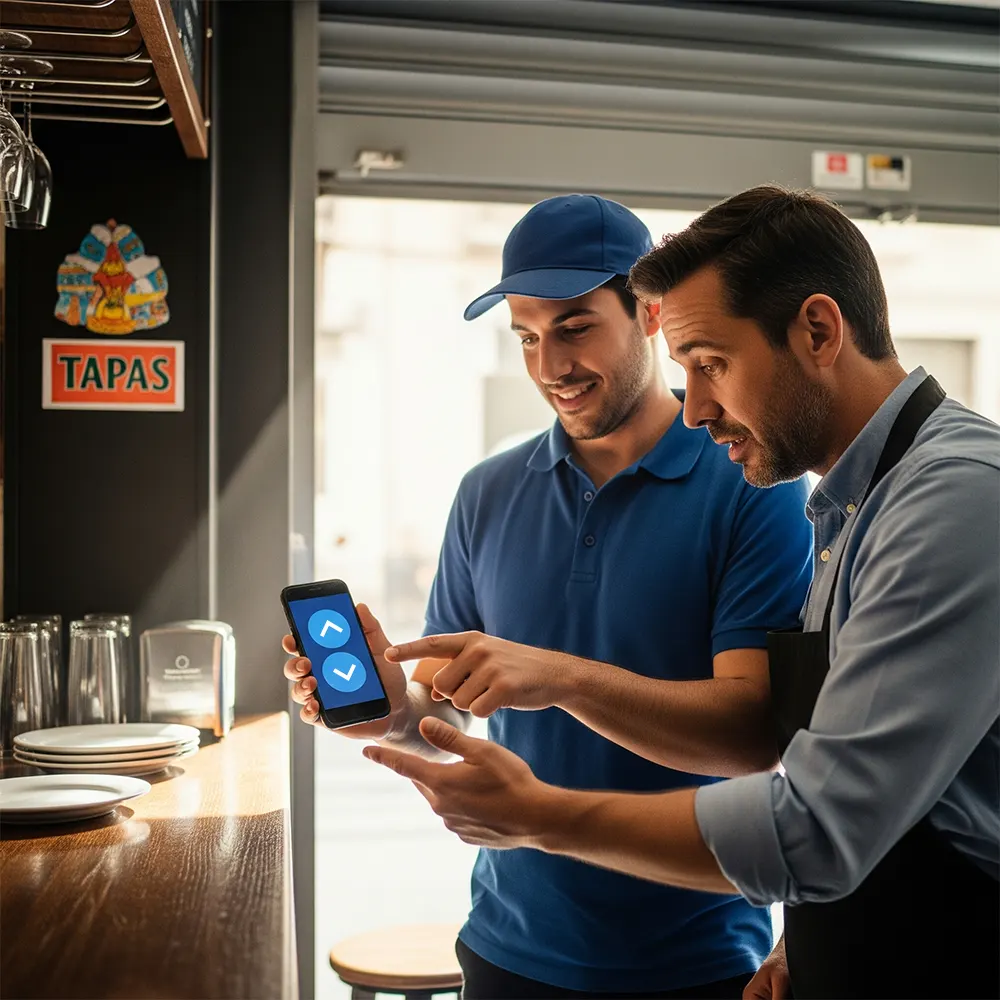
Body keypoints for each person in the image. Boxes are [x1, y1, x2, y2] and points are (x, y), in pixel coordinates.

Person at [364, 186, 1000, 1000]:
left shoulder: (953, 498)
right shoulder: (849, 507)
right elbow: (862, 773)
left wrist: (541, 811)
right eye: (526, 337)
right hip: (528, 943)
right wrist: (805, 942)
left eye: (710, 364)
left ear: (817, 331)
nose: (695, 408)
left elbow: (813, 819)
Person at [285, 194, 813, 999]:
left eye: (574, 327)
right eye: (527, 337)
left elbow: (750, 735)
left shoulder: (752, 483)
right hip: (506, 948)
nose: (550, 367)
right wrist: (394, 709)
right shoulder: (487, 492)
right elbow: (446, 719)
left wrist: (558, 676)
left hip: (698, 961)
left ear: (650, 314)